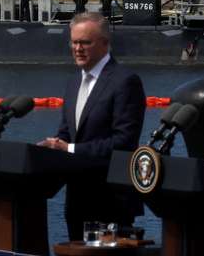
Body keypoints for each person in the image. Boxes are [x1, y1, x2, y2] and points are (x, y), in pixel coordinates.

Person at [39, 12, 145, 240]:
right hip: (77, 200)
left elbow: (124, 141)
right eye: (74, 42)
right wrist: (50, 148)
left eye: (85, 42)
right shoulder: (74, 82)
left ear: (105, 44)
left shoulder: (125, 81)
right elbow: (67, 132)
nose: (78, 48)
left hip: (110, 201)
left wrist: (69, 149)